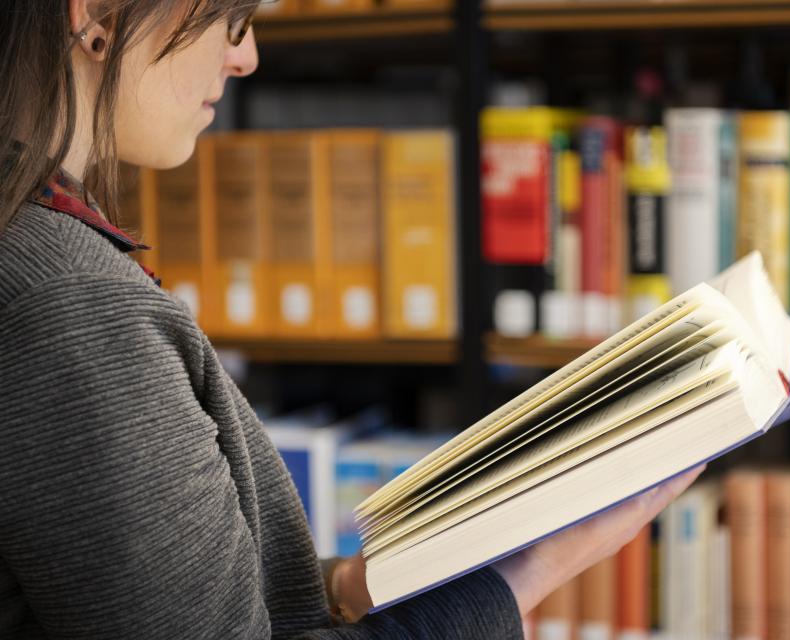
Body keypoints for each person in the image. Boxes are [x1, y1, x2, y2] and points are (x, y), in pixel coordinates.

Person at [0, 1, 703, 637]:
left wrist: (344, 585)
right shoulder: (70, 303)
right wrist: (532, 571)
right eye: (231, 19)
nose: (246, 57)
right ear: (96, 14)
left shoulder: (40, 257)